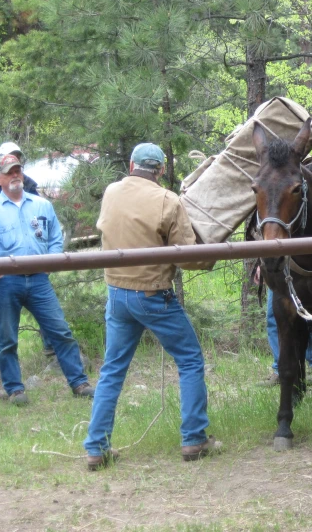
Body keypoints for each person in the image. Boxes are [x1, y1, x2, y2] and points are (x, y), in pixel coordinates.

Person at [84, 142, 219, 471]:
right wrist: (215, 251)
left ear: (131, 165)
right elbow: (190, 257)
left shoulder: (112, 192)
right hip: (152, 296)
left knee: (112, 370)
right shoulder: (167, 200)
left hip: (116, 294)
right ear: (160, 171)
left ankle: (96, 447)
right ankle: (194, 439)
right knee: (189, 360)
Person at [0, 150, 94, 405]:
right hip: (5, 283)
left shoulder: (42, 205)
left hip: (40, 281)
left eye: (18, 170)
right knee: (7, 339)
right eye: (9, 172)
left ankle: (79, 383)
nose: (15, 175)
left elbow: (54, 237)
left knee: (61, 332)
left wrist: (50, 262)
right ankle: (15, 390)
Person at [0, 142, 54, 373]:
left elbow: (42, 218)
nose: (14, 168)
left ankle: (52, 347)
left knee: (42, 304)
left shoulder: (26, 183)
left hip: (26, 260)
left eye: (17, 159)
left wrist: (48, 255)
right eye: (8, 160)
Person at [257, 286, 312, 387]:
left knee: (307, 312)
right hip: (275, 273)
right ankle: (281, 370)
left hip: (299, 272)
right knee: (274, 316)